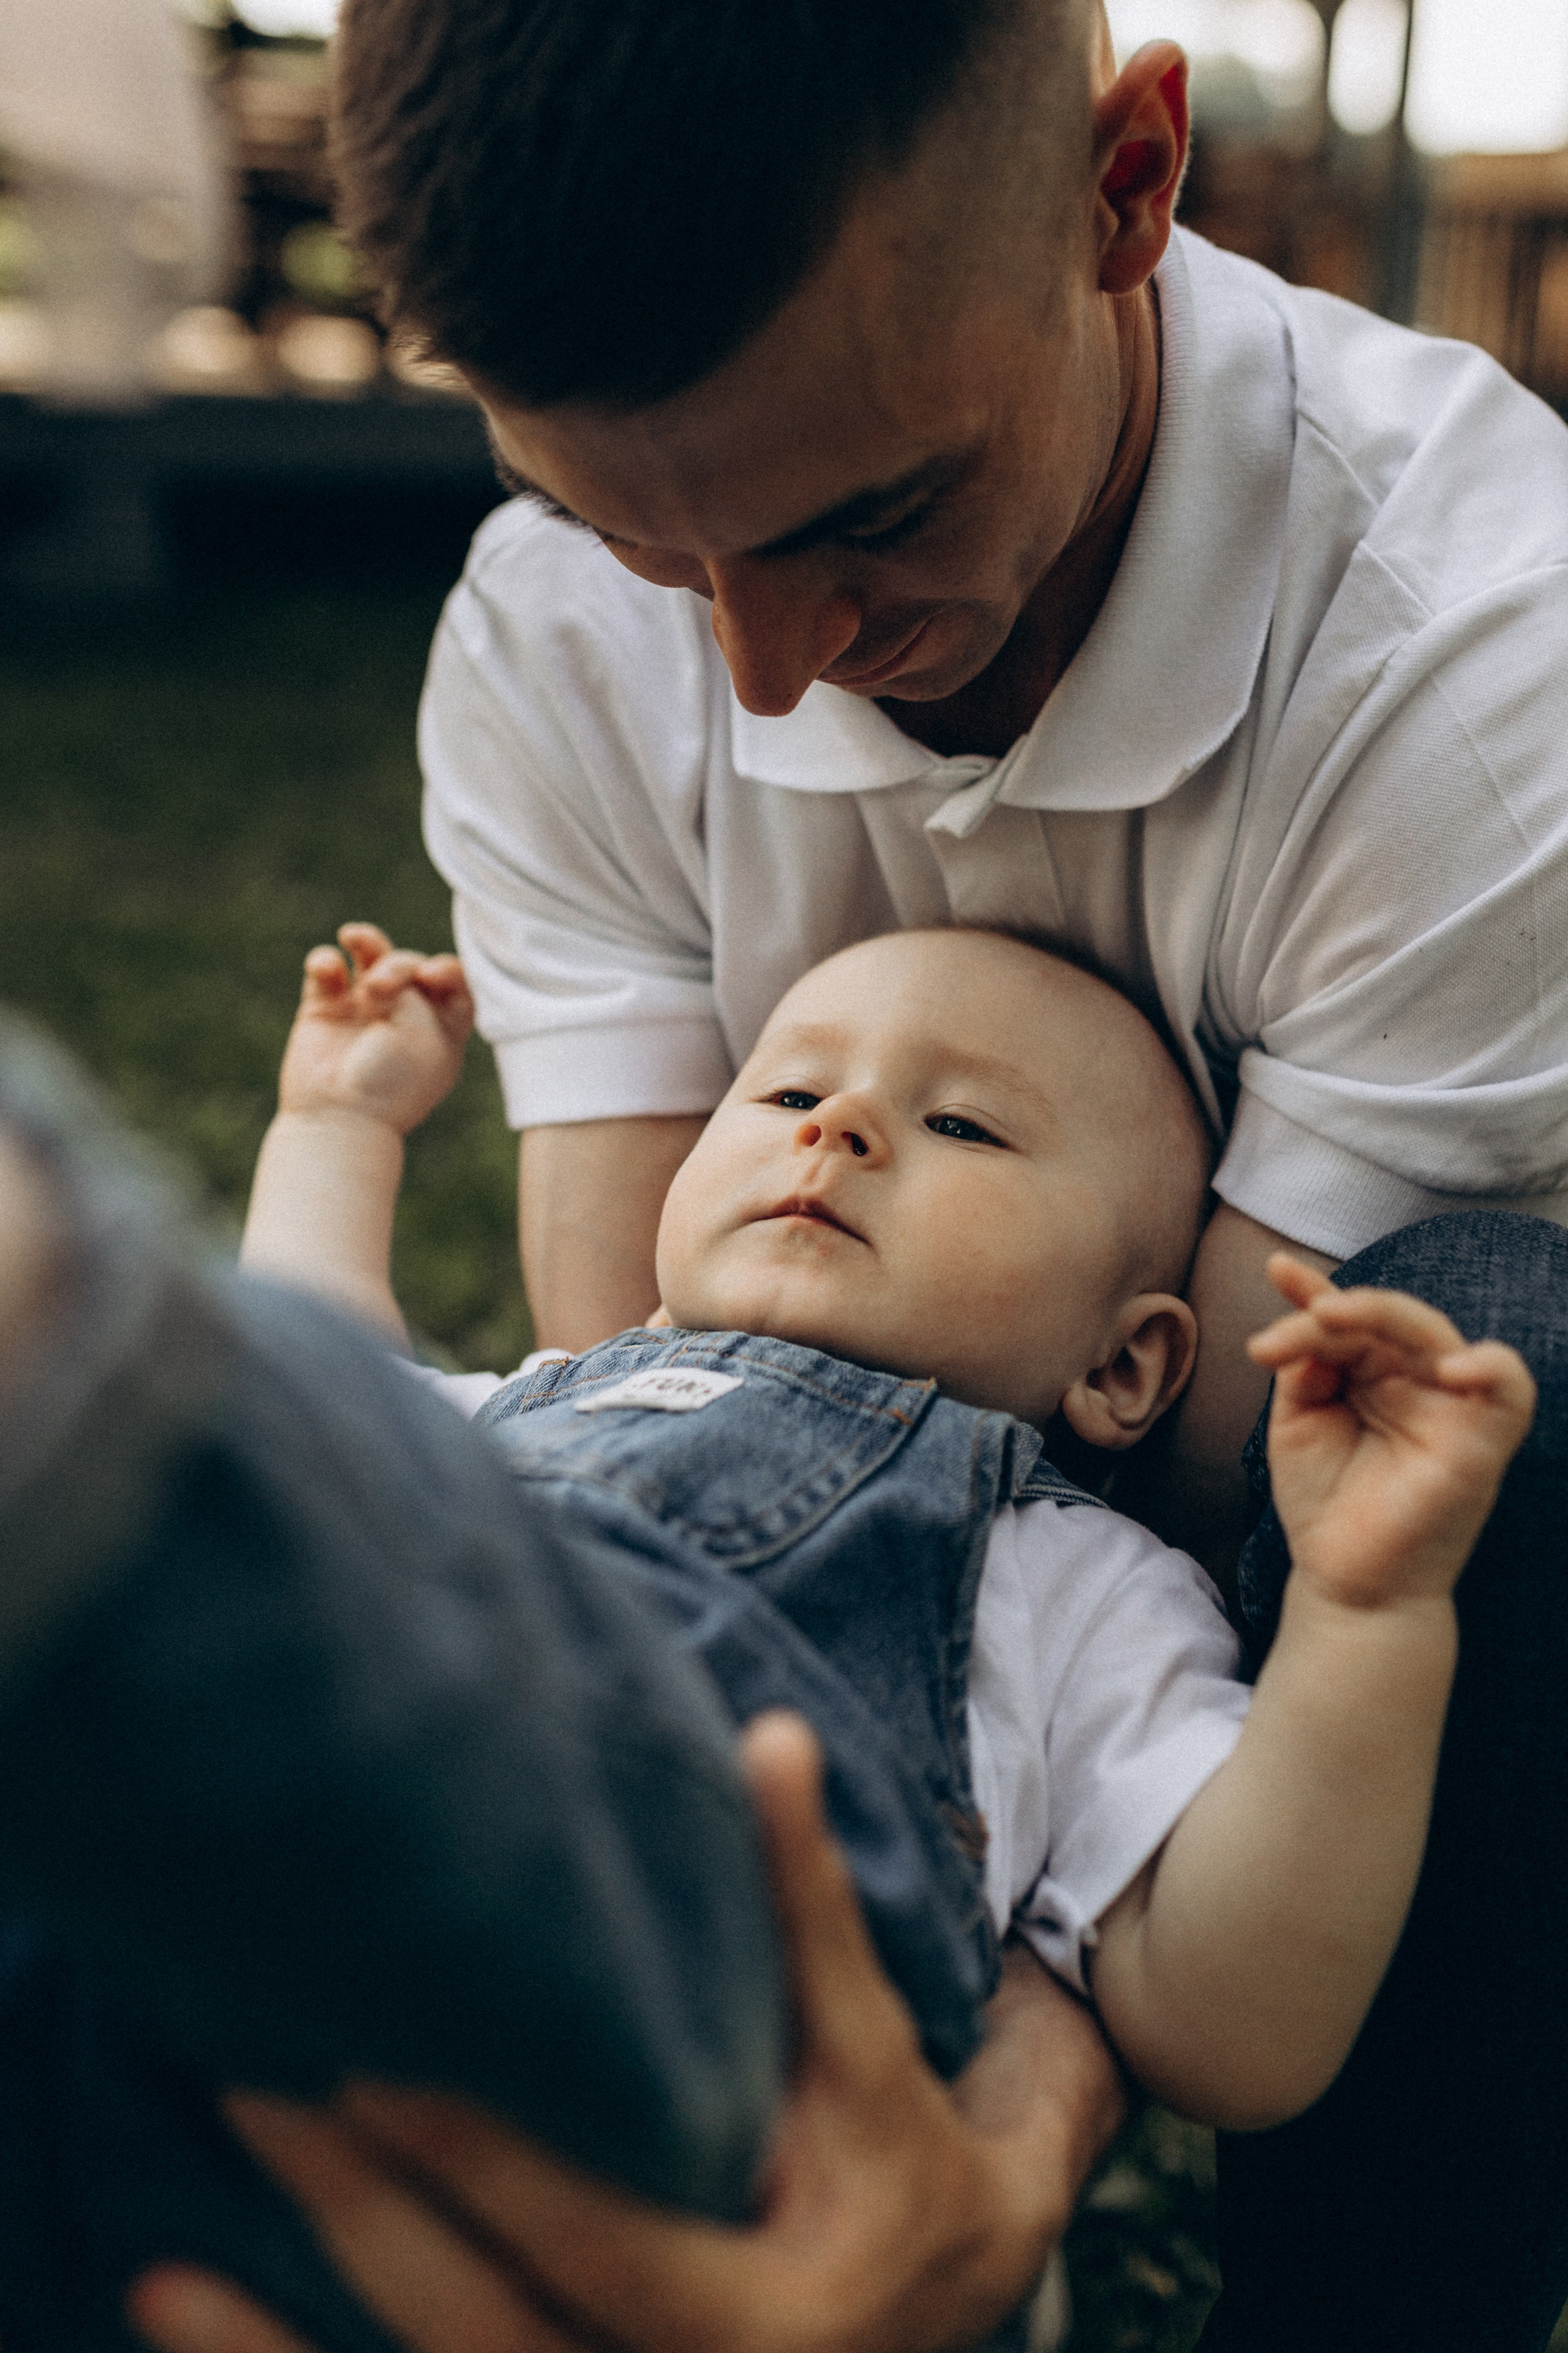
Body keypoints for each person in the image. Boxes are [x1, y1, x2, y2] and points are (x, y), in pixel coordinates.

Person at [141, 0, 1568, 2345]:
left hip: (1096, 1598)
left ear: (1128, 188)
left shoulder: (1483, 659)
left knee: (1497, 1361)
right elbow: (628, 1343)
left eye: (869, 514)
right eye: (633, 530)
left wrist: (984, 2099)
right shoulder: (555, 635)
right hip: (469, 1807)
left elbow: (1192, 1474)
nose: (770, 670)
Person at [0, 921, 1532, 2351]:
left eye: (963, 1127)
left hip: (680, 1994)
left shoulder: (1071, 1576)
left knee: (239, 1516)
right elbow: (337, 1391)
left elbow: (1230, 2026)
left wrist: (1360, 1609)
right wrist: (337, 1128)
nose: (839, 1126)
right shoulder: (529, 1398)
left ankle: (59, 1332)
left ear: (1124, 1366)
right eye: (794, 1085)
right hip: (212, 2047)